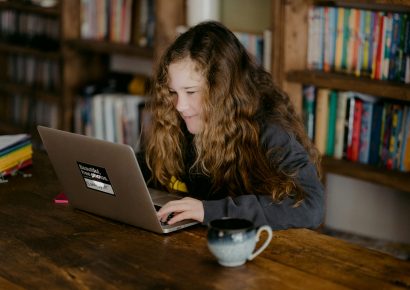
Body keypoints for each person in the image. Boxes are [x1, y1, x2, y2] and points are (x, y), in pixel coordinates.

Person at [137, 21, 324, 230]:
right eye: (173, 92)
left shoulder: (269, 129)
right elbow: (147, 168)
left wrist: (210, 211)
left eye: (191, 92)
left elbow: (311, 206)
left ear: (222, 91)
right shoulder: (182, 120)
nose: (180, 106)